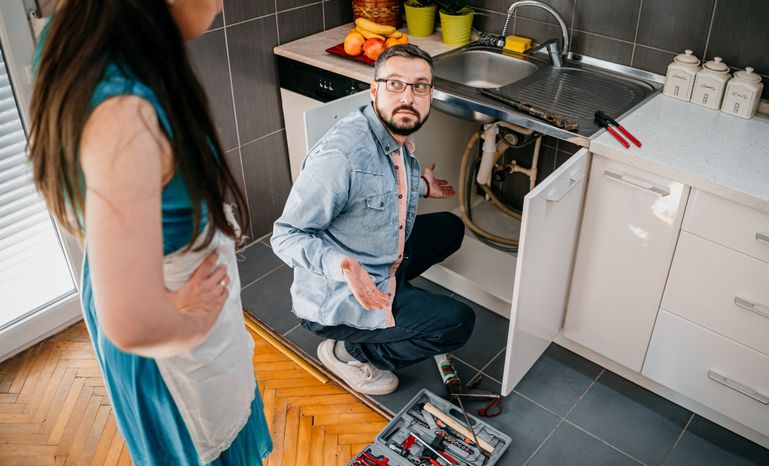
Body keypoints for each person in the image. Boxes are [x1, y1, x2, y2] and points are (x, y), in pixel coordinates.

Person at [27, 1, 272, 464]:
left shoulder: (75, 33)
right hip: (173, 356)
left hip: (166, 312)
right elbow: (132, 323)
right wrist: (192, 321)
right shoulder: (124, 114)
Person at [271, 45, 475, 396]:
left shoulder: (393, 134)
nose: (408, 97)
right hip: (337, 295)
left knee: (449, 229)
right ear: (374, 89)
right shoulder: (343, 154)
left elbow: (377, 190)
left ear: (430, 95)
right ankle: (353, 351)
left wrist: (421, 187)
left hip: (375, 264)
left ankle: (396, 298)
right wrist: (344, 266)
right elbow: (285, 236)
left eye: (420, 86)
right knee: (458, 322)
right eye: (395, 84)